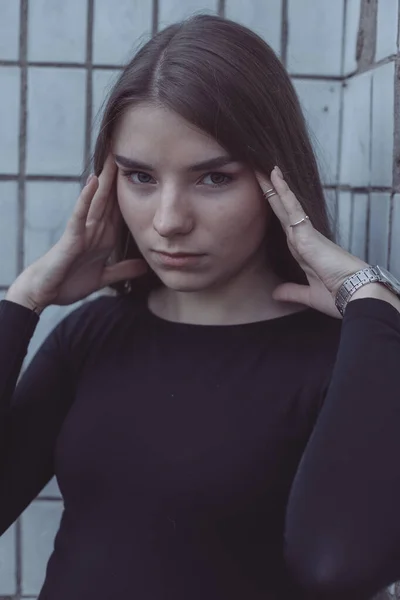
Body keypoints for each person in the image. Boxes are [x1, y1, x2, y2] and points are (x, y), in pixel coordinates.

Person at [1, 13, 400, 600]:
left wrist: (373, 302)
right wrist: (23, 301)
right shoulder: (94, 335)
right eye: (139, 176)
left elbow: (340, 565)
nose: (167, 222)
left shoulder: (348, 360)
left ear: (277, 178)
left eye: (213, 178)